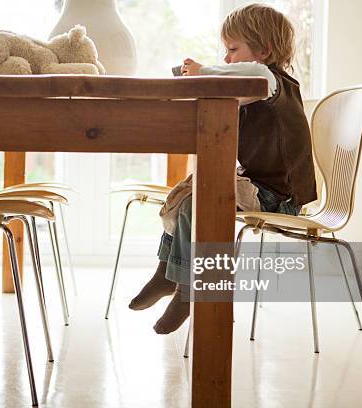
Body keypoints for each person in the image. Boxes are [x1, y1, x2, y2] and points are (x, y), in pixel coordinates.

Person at [129, 3, 318, 334]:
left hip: (279, 196)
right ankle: (166, 272)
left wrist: (205, 72)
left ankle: (188, 288)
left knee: (199, 197)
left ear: (264, 51)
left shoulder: (272, 82)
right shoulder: (253, 91)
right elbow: (235, 87)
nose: (227, 58)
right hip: (258, 188)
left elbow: (255, 75)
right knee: (186, 193)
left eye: (233, 49)